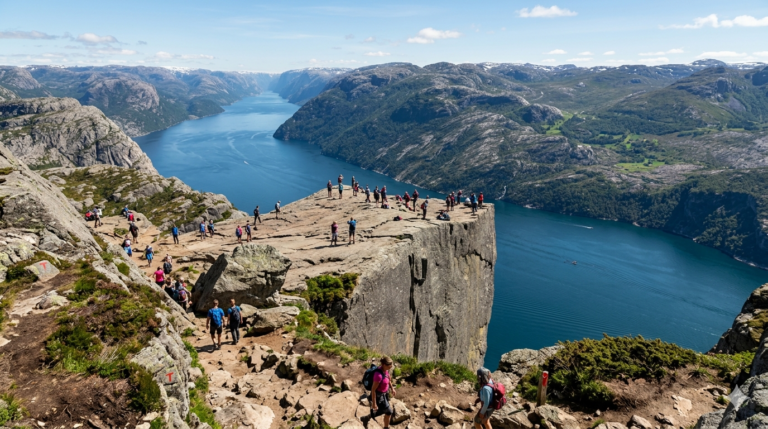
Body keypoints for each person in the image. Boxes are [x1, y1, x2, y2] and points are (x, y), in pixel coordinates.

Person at [370, 356, 396, 427]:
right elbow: (373, 390)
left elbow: (388, 380)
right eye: (389, 366)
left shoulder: (386, 370)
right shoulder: (378, 375)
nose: (390, 367)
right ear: (384, 364)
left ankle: (374, 412)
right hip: (379, 395)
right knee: (389, 412)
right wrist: (374, 403)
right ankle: (385, 426)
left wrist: (392, 388)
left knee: (384, 409)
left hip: (385, 393)